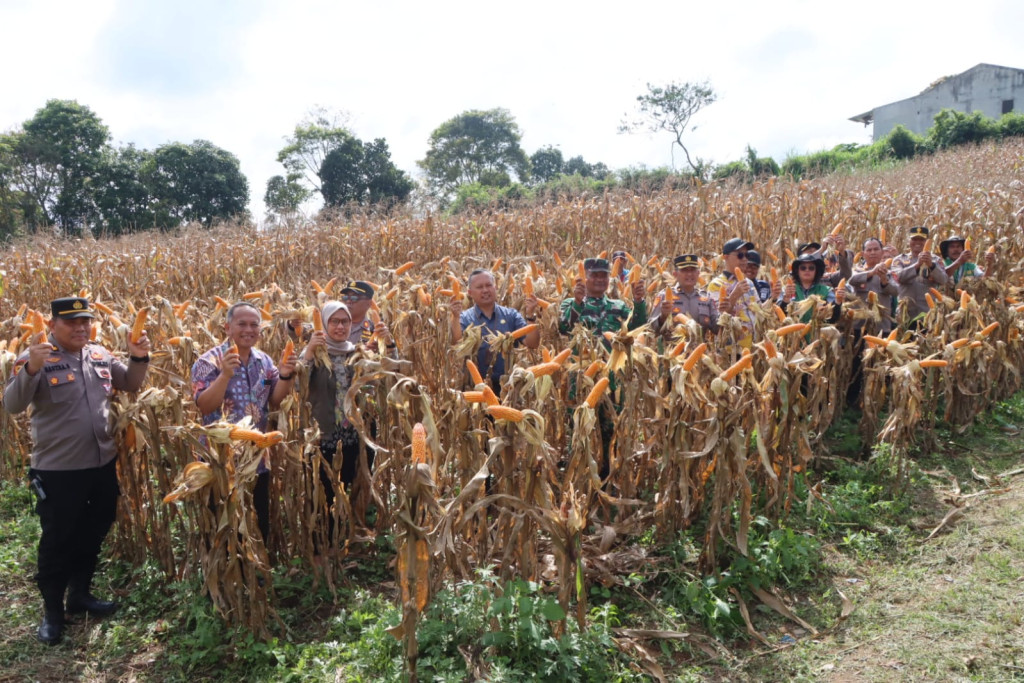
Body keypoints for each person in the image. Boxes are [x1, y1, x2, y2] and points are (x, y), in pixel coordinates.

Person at [3, 297, 151, 645]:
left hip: (101, 464)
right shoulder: (35, 356)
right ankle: (53, 612)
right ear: (53, 325)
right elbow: (12, 405)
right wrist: (30, 370)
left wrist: (138, 356)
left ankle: (80, 595)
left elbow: (129, 383)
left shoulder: (99, 354)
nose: (81, 328)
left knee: (94, 529)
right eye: (71, 322)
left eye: (85, 321)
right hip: (59, 471)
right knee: (58, 540)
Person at [191, 301, 297, 543]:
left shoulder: (264, 361)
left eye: (254, 325)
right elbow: (204, 405)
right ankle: (222, 577)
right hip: (219, 460)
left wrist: (285, 374)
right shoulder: (209, 362)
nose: (248, 330)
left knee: (257, 521)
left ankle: (254, 575)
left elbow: (275, 401)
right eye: (242, 324)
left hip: (257, 457)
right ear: (227, 327)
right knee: (221, 524)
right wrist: (225, 375)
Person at [301, 301, 372, 532]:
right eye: (334, 321)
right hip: (324, 435)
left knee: (353, 484)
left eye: (345, 322)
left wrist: (388, 344)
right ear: (324, 323)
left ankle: (351, 534)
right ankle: (323, 542)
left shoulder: (356, 351)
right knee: (325, 490)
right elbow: (298, 387)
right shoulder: (314, 353)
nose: (340, 327)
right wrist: (310, 350)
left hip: (354, 433)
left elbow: (381, 378)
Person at [450, 269, 540, 390]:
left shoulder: (511, 315)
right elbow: (457, 344)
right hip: (476, 388)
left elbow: (532, 344)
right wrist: (455, 317)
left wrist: (530, 315)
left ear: (495, 287)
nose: (485, 290)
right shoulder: (465, 318)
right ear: (470, 293)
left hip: (509, 388)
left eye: (488, 285)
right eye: (480, 287)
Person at [559, 257, 647, 338]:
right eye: (595, 275)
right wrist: (577, 302)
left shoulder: (619, 306)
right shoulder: (569, 304)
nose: (600, 279)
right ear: (584, 277)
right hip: (582, 355)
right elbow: (563, 329)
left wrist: (638, 301)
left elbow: (638, 329)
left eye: (604, 276)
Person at [706, 238, 760, 348]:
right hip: (731, 351)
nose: (745, 259)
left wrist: (774, 298)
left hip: (752, 348)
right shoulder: (716, 285)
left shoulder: (749, 283)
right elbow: (718, 321)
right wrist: (735, 295)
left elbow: (759, 311)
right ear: (725, 257)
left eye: (747, 255)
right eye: (740, 255)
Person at [650, 254, 719, 335]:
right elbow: (651, 329)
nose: (689, 274)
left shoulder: (707, 298)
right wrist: (663, 317)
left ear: (698, 273)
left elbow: (717, 329)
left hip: (699, 346)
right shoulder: (664, 296)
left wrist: (726, 311)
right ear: (675, 274)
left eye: (692, 270)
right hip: (672, 346)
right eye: (684, 270)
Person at [892, 226, 948, 323]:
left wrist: (931, 265)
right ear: (909, 241)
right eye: (914, 239)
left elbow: (943, 280)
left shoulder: (936, 260)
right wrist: (917, 265)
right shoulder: (899, 260)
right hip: (905, 312)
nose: (918, 242)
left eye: (922, 239)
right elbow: (898, 277)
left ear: (927, 241)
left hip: (928, 313)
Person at [849, 238, 898, 334]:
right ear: (863, 254)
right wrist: (872, 272)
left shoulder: (890, 273)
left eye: (876, 249)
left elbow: (896, 291)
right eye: (869, 250)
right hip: (859, 327)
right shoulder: (856, 270)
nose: (873, 252)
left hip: (881, 327)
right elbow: (852, 280)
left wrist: (884, 280)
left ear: (882, 252)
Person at [778, 254, 845, 323]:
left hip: (817, 332)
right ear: (797, 271)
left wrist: (838, 302)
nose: (807, 270)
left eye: (811, 268)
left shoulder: (826, 291)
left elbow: (833, 319)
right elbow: (779, 318)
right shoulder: (787, 290)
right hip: (793, 333)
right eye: (803, 268)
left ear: (816, 271)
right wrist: (786, 299)